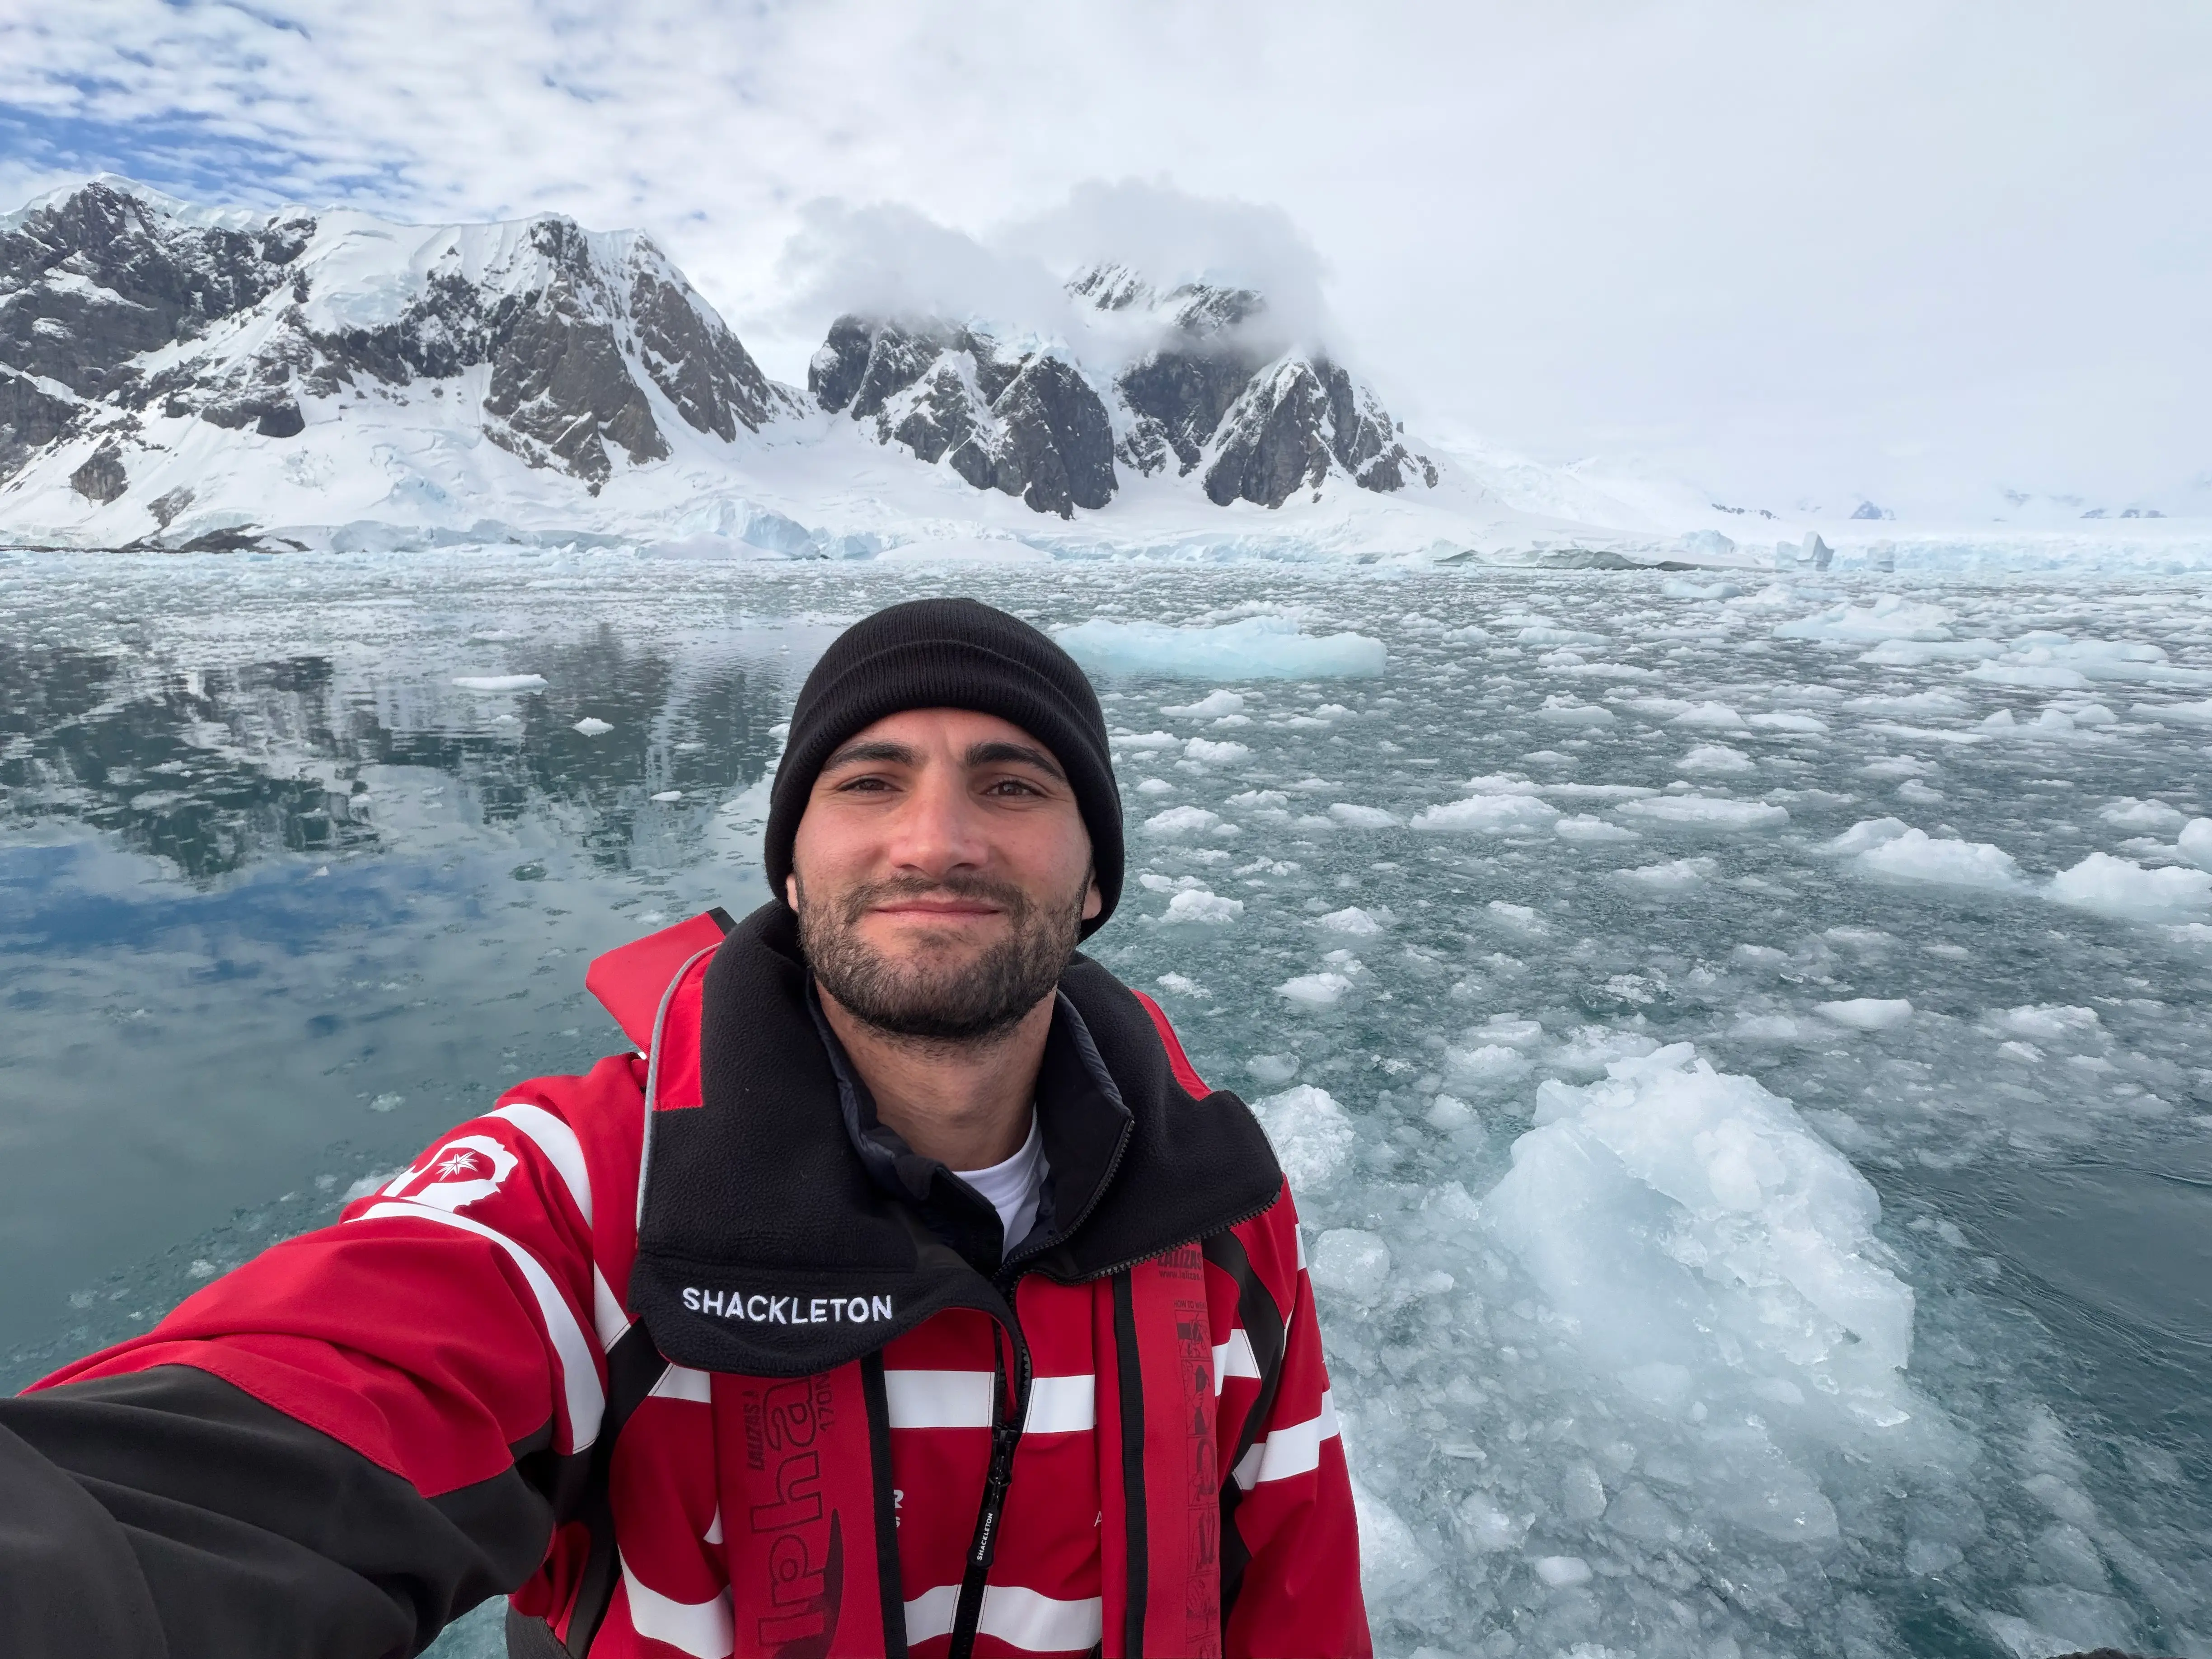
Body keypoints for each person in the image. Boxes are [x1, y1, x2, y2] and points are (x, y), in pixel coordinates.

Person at [0, 599, 1369, 1659]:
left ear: (1092, 883)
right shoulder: (594, 1192)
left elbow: (1300, 1600)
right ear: (790, 861)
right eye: (870, 782)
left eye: (1013, 786)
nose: (936, 838)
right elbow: (258, 1451)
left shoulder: (1219, 1216)